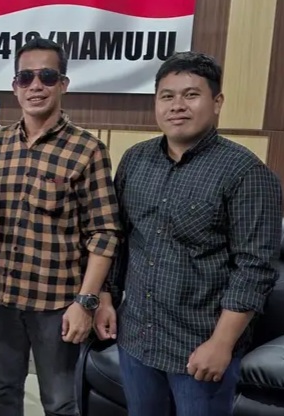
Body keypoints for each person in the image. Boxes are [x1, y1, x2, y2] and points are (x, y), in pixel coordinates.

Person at [94, 51, 282, 416]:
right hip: (138, 338)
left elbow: (254, 269)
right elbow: (120, 237)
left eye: (191, 95)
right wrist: (106, 298)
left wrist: (221, 343)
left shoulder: (246, 173)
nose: (177, 106)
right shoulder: (135, 160)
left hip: (200, 346)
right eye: (167, 96)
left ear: (217, 102)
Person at [0, 37, 122, 416]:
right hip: (2, 297)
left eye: (47, 76)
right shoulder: (0, 145)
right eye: (26, 77)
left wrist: (86, 302)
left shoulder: (87, 149)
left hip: (57, 304)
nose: (35, 86)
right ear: (15, 86)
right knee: (3, 392)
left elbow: (104, 233)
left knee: (60, 402)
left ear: (63, 84)